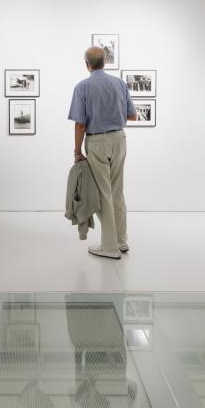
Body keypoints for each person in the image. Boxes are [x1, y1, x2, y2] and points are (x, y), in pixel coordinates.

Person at [68, 46, 137, 259]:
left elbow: (80, 124)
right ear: (104, 62)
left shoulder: (82, 87)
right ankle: (121, 240)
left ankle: (109, 247)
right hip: (119, 139)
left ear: (86, 63)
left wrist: (77, 151)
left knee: (103, 193)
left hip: (97, 141)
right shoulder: (119, 83)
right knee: (117, 191)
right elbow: (132, 116)